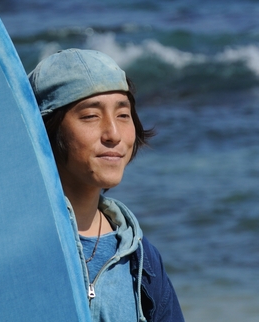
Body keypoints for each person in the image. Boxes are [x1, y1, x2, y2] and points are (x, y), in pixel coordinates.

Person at [28, 49, 184, 322]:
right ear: (47, 129)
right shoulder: (14, 245)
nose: (113, 134)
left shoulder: (140, 258)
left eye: (123, 115)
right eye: (90, 116)